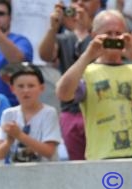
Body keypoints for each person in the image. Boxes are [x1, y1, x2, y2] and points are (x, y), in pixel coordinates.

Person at [56, 10, 132, 160]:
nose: (114, 38)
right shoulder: (86, 72)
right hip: (103, 158)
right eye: (108, 33)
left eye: (119, 33)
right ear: (95, 35)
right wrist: (88, 55)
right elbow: (63, 94)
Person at [39, 0, 102, 160]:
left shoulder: (106, 31)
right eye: (74, 1)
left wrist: (84, 29)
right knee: (79, 166)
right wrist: (53, 27)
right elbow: (45, 55)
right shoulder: (63, 38)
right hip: (70, 111)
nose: (79, 4)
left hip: (99, 108)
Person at [0, 63, 61, 162]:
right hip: (17, 174)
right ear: (12, 89)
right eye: (20, 86)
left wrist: (19, 135)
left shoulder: (49, 112)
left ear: (41, 88)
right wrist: (8, 141)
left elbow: (49, 151)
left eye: (31, 86)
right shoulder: (8, 114)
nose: (26, 90)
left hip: (46, 174)